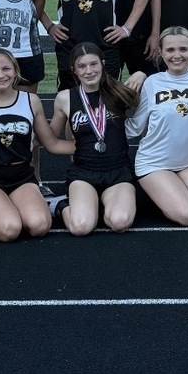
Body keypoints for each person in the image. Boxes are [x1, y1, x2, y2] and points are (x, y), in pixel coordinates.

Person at [0, 49, 73, 241]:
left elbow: (51, 143)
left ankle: (7, 207)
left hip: (21, 175)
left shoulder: (31, 101)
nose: (0, 75)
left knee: (39, 226)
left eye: (6, 68)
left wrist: (87, 148)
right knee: (10, 230)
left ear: (15, 71)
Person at [127, 28, 188, 226]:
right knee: (187, 216)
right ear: (161, 53)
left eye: (183, 49)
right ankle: (155, 191)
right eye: (170, 50)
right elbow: (135, 127)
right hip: (154, 163)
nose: (177, 55)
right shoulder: (152, 83)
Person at [50, 43, 141, 235]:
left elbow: (152, 93)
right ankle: (60, 205)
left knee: (119, 222)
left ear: (103, 64)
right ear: (74, 70)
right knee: (81, 227)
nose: (89, 71)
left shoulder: (118, 92)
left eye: (94, 64)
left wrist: (142, 74)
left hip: (118, 172)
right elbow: (52, 141)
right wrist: (79, 149)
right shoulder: (65, 98)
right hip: (84, 172)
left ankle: (99, 203)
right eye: (82, 66)